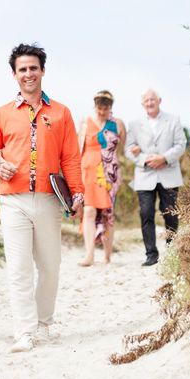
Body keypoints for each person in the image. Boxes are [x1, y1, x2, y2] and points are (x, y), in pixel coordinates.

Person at [0, 43, 83, 353]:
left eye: (33, 68)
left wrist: (78, 193)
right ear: (14, 75)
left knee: (51, 266)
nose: (28, 73)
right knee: (19, 269)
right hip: (12, 199)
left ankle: (44, 322)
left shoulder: (61, 112)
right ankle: (24, 332)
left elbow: (71, 157)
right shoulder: (1, 114)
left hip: (49, 199)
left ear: (42, 71)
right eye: (22, 69)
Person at [124, 89, 186, 266]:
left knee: (171, 213)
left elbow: (181, 144)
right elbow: (129, 149)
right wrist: (145, 159)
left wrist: (164, 158)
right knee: (146, 213)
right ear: (142, 104)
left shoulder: (173, 120)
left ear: (159, 101)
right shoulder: (135, 124)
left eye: (153, 99)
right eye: (146, 100)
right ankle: (151, 254)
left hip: (169, 173)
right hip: (145, 175)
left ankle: (172, 249)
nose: (150, 103)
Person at [77, 90, 126, 266]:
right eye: (99, 107)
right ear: (95, 106)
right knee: (89, 211)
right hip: (88, 170)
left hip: (109, 171)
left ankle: (107, 255)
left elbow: (121, 150)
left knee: (107, 213)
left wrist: (116, 171)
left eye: (105, 108)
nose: (102, 111)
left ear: (110, 108)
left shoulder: (118, 124)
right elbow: (78, 148)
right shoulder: (85, 122)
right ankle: (89, 254)